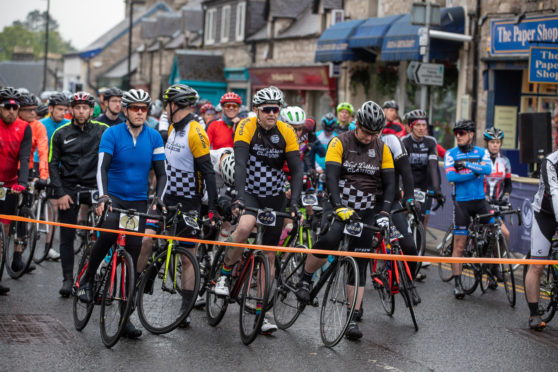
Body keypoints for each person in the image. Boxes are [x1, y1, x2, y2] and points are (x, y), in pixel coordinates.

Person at [295, 101, 396, 340]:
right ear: (356, 124)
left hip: (366, 209)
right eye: (366, 132)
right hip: (338, 201)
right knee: (330, 239)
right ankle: (306, 279)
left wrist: (385, 212)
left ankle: (351, 317)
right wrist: (338, 206)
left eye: (375, 134)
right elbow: (331, 177)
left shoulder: (382, 149)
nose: (370, 137)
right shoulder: (339, 142)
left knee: (359, 261)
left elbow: (390, 183)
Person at [77, 89, 167, 339]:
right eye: (135, 108)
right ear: (125, 110)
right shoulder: (112, 133)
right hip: (113, 195)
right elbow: (101, 168)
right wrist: (103, 196)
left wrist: (158, 198)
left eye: (144, 108)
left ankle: (125, 316)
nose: (140, 112)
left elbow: (162, 174)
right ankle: (87, 280)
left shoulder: (154, 137)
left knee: (134, 251)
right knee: (109, 227)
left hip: (138, 201)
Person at [213, 86, 303, 334]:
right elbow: (240, 163)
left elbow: (296, 170)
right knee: (243, 227)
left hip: (274, 195)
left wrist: (294, 202)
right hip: (250, 191)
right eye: (267, 110)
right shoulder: (246, 126)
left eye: (276, 109)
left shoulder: (286, 132)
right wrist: (240, 197)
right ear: (256, 111)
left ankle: (261, 312)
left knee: (270, 255)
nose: (272, 114)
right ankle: (224, 272)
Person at [155, 83, 219, 327]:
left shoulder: (195, 131)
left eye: (166, 103)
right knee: (148, 239)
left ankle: (186, 307)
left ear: (175, 105)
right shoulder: (172, 126)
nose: (164, 108)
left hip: (188, 200)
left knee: (187, 255)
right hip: (166, 196)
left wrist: (211, 207)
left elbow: (208, 172)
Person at [48, 92, 108, 297]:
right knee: (67, 235)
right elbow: (53, 164)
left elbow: (111, 163)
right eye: (77, 107)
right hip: (70, 189)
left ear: (91, 110)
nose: (81, 111)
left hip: (94, 187)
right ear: (71, 110)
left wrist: (104, 195)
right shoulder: (61, 133)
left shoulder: (103, 131)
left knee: (103, 234)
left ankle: (92, 277)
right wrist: (60, 193)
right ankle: (67, 279)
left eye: (85, 107)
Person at [444, 119, 492, 299]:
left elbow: (487, 168)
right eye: (456, 133)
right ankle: (457, 283)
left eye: (462, 133)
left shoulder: (482, 151)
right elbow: (451, 176)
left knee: (497, 230)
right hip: (461, 202)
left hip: (480, 201)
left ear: (471, 135)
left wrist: (465, 165)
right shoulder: (451, 153)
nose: (458, 136)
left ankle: (491, 268)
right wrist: (474, 172)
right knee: (459, 244)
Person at [0, 87, 32, 293]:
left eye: (15, 107)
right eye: (7, 106)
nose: (11, 111)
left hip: (10, 184)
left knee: (3, 231)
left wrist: (22, 182)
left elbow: (24, 157)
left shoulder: (24, 127)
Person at [525, 149, 558, 331]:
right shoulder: (550, 161)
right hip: (544, 215)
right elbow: (555, 194)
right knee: (537, 266)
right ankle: (534, 313)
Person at [402, 110, 442, 228]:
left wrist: (437, 188)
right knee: (404, 215)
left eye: (424, 125)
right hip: (408, 183)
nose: (421, 128)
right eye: (417, 125)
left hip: (425, 185)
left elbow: (433, 167)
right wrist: (401, 188)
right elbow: (401, 169)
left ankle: (420, 245)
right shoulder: (404, 141)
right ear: (411, 126)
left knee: (422, 221)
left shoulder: (431, 142)